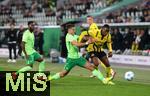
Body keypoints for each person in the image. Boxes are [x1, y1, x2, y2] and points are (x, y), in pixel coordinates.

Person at [47, 24, 114, 85]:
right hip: (71, 59)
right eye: (73, 29)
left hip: (78, 58)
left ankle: (104, 80)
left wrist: (92, 39)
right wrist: (87, 43)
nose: (74, 30)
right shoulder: (68, 36)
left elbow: (83, 38)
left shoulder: (74, 35)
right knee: (63, 74)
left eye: (74, 29)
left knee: (92, 67)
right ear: (69, 30)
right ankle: (50, 78)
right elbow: (76, 44)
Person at [78, 16, 116, 80]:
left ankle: (108, 74)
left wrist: (110, 50)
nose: (88, 21)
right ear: (102, 30)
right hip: (92, 49)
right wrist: (80, 42)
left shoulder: (94, 26)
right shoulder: (95, 32)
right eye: (88, 20)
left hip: (99, 49)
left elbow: (109, 42)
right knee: (95, 63)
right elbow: (85, 34)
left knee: (106, 62)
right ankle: (97, 73)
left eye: (90, 19)